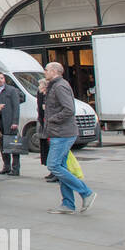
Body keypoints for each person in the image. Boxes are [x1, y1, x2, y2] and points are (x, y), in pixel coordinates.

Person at [42, 61, 97, 214]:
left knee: (53, 165)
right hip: (60, 133)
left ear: (54, 71)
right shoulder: (55, 85)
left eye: (46, 69)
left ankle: (86, 192)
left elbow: (69, 109)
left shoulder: (60, 86)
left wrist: (52, 118)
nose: (44, 72)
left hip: (62, 133)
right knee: (62, 167)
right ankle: (67, 204)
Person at [0, 72, 25, 176]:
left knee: (14, 146)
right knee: (3, 145)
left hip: (10, 122)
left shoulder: (12, 90)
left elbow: (16, 107)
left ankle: (15, 169)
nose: (0, 80)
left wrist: (15, 121)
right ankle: (6, 167)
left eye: (2, 78)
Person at [37, 76, 57, 182]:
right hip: (44, 123)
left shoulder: (49, 96)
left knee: (52, 148)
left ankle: (55, 172)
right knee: (47, 148)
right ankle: (52, 171)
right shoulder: (41, 95)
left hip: (49, 125)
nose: (39, 87)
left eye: (40, 85)